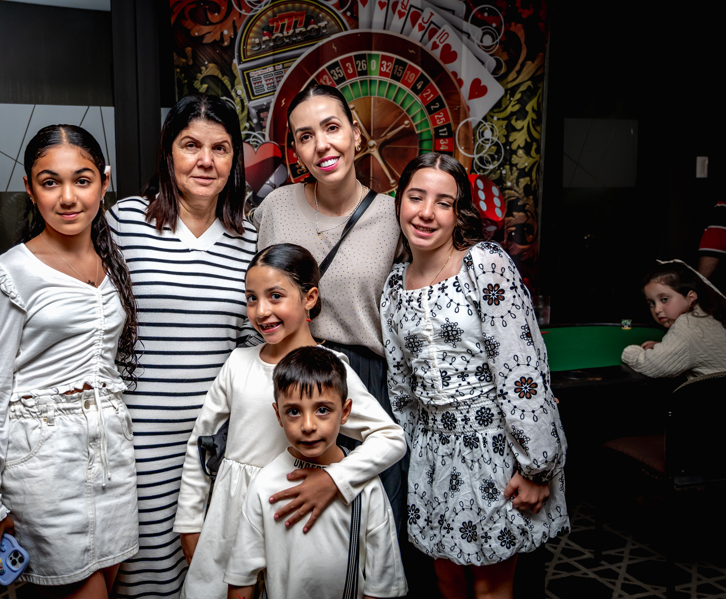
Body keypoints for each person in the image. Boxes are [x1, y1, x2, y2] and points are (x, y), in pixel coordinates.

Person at [0, 95, 363, 598]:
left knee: (218, 571)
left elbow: (260, 336)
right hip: (133, 440)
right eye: (190, 145)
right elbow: (71, 294)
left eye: (220, 148)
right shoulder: (123, 222)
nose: (205, 161)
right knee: (141, 574)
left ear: (234, 159)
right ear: (168, 152)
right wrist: (1, 340)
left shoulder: (250, 238)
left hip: (222, 438)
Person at [0, 125, 140, 596]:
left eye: (82, 180)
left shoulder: (113, 262)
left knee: (107, 585)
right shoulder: (10, 273)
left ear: (104, 182)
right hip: (44, 464)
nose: (68, 197)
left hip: (112, 457)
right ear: (29, 188)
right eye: (50, 182)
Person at [380, 153, 569, 599]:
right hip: (433, 454)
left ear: (458, 212)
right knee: (446, 581)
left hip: (495, 449)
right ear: (400, 202)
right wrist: (412, 459)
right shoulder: (393, 286)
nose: (426, 212)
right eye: (416, 197)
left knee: (490, 586)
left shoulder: (484, 263)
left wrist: (536, 466)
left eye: (443, 202)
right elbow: (401, 386)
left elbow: (522, 367)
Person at [174, 244, 406, 598]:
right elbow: (201, 441)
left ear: (309, 298)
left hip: (295, 513)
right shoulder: (238, 363)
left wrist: (334, 479)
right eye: (251, 298)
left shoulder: (330, 369)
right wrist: (190, 521)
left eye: (275, 296)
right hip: (232, 517)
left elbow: (390, 438)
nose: (261, 311)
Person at [252, 83, 408, 535]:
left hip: (364, 380)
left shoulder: (394, 216)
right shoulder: (275, 208)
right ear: (296, 150)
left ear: (356, 133)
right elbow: (259, 294)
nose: (321, 145)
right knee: (292, 524)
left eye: (332, 127)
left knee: (370, 525)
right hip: (291, 379)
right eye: (305, 136)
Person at [224, 346, 408, 599]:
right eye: (294, 411)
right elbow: (241, 576)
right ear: (278, 415)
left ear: (345, 412)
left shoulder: (367, 487)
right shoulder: (265, 484)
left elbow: (381, 585)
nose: (308, 426)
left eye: (322, 409)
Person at [621, 260, 726, 380]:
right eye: (651, 303)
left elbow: (653, 365)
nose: (657, 309)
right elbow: (696, 345)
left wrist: (630, 352)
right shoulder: (708, 313)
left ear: (690, 297)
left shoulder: (686, 325)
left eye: (664, 299)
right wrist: (666, 347)